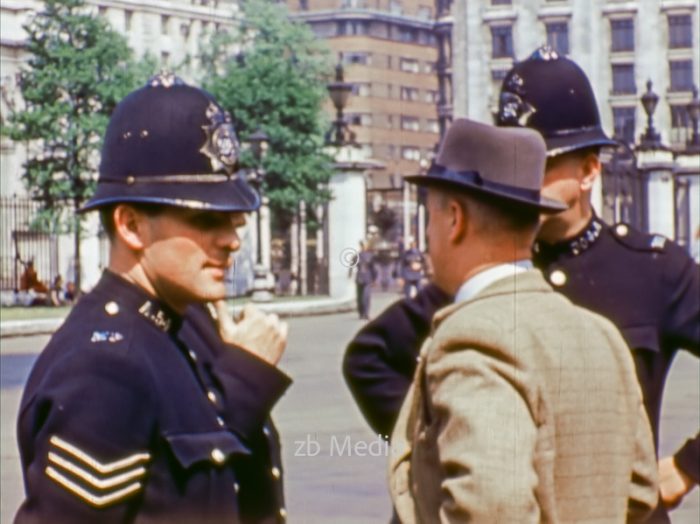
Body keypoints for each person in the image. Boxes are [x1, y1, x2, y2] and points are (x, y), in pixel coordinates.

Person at [344, 47, 699, 520]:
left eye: (542, 164)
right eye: (514, 162)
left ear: (590, 169)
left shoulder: (652, 269)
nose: (524, 180)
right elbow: (369, 359)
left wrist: (687, 465)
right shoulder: (482, 268)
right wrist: (444, 443)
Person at [16, 74, 292, 523]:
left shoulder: (191, 327)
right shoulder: (105, 367)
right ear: (131, 225)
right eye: (206, 222)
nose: (231, 241)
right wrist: (240, 384)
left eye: (235, 222)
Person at [389, 118, 658, 521]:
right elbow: (638, 490)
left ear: (454, 220)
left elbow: (492, 508)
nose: (427, 236)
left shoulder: (473, 340)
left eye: (428, 217)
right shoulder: (601, 335)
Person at [352, 240, 377, 319]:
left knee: (366, 296)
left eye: (364, 245)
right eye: (362, 245)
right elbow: (352, 266)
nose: (363, 247)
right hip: (359, 278)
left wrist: (374, 279)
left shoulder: (370, 256)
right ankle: (361, 312)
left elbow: (373, 268)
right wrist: (350, 274)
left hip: (368, 278)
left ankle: (366, 313)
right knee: (359, 297)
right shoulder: (356, 256)